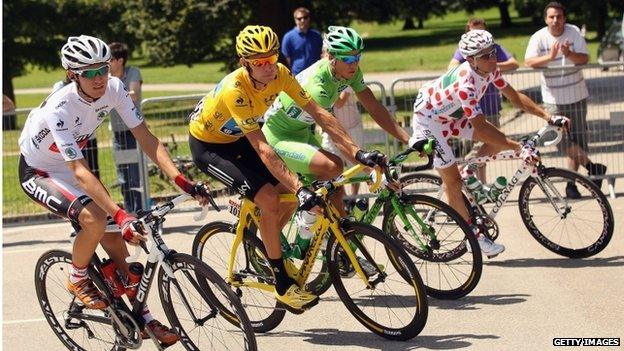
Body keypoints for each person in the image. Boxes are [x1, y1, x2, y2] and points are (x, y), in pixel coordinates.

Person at [18, 35, 212, 346]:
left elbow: (146, 138)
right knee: (96, 219)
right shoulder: (60, 107)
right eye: (89, 73)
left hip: (71, 169)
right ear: (72, 74)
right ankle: (77, 277)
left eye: (103, 70)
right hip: (40, 172)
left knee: (121, 253)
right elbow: (80, 172)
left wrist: (181, 180)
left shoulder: (115, 88)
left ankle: (144, 319)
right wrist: (119, 214)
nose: (99, 79)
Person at [188, 25, 386, 313]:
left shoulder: (281, 73)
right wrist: (299, 186)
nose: (269, 67)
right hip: (210, 146)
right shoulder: (236, 90)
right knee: (271, 198)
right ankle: (281, 283)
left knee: (290, 197)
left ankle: (264, 236)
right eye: (260, 63)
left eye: (273, 57)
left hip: (239, 138)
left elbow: (320, 113)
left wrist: (357, 153)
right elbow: (262, 147)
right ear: (245, 63)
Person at [409, 30, 570, 258]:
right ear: (471, 59)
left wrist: (547, 117)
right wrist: (518, 147)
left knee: (497, 141)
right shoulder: (466, 84)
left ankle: (468, 171)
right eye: (485, 56)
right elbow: (482, 128)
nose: (493, 59)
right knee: (452, 181)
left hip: (448, 117)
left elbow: (515, 98)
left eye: (493, 53)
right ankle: (474, 236)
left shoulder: (490, 70)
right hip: (429, 121)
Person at [263, 26, 410, 221]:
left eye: (358, 57)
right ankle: (299, 234)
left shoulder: (349, 72)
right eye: (348, 59)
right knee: (333, 167)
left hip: (300, 132)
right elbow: (333, 130)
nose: (354, 64)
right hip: (277, 138)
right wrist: (368, 168)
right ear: (331, 56)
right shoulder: (317, 85)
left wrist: (409, 139)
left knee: (335, 191)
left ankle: (338, 244)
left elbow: (374, 107)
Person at [524, 1, 606, 198]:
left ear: (564, 18)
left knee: (577, 141)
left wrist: (569, 54)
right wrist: (550, 57)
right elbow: (529, 62)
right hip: (552, 99)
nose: (555, 20)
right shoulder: (539, 37)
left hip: (576, 95)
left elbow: (584, 59)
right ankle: (593, 167)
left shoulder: (574, 32)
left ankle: (571, 185)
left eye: (559, 17)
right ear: (546, 19)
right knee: (559, 139)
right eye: (551, 17)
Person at [448, 18, 519, 184]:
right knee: (479, 148)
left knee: (491, 147)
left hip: (491, 106)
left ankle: (480, 184)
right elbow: (451, 67)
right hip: (470, 108)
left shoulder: (493, 50)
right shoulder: (464, 51)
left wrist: (489, 63)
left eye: (481, 32)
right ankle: (465, 178)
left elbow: (514, 64)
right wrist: (476, 67)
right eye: (473, 32)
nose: (477, 36)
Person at [108, 42, 144, 213]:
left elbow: (134, 95)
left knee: (136, 176)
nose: (107, 63)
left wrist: (114, 96)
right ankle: (130, 213)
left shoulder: (133, 72)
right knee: (124, 178)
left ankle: (141, 210)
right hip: (118, 134)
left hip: (134, 132)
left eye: (110, 60)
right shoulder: (106, 78)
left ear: (120, 60)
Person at [52, 75, 101, 178]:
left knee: (92, 172)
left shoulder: (90, 87)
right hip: (68, 139)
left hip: (87, 138)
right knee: (72, 174)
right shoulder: (60, 86)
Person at [281, 7, 323, 75]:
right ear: (295, 20)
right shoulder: (288, 37)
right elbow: (287, 58)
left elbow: (322, 54)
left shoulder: (317, 35)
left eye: (305, 17)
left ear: (309, 18)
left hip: (316, 74)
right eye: (299, 18)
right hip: (298, 75)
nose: (302, 20)